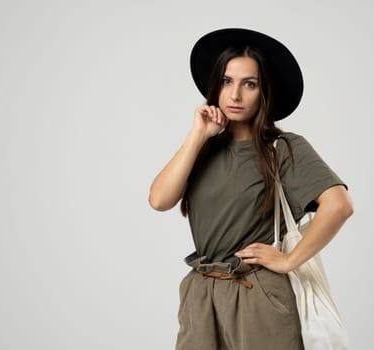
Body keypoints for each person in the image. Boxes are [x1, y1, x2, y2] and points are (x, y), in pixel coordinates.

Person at [149, 28, 354, 350]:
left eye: (249, 84)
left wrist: (289, 261)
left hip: (257, 292)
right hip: (201, 293)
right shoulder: (203, 148)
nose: (234, 95)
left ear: (264, 91)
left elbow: (339, 205)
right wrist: (198, 134)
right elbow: (160, 200)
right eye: (227, 82)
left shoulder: (283, 148)